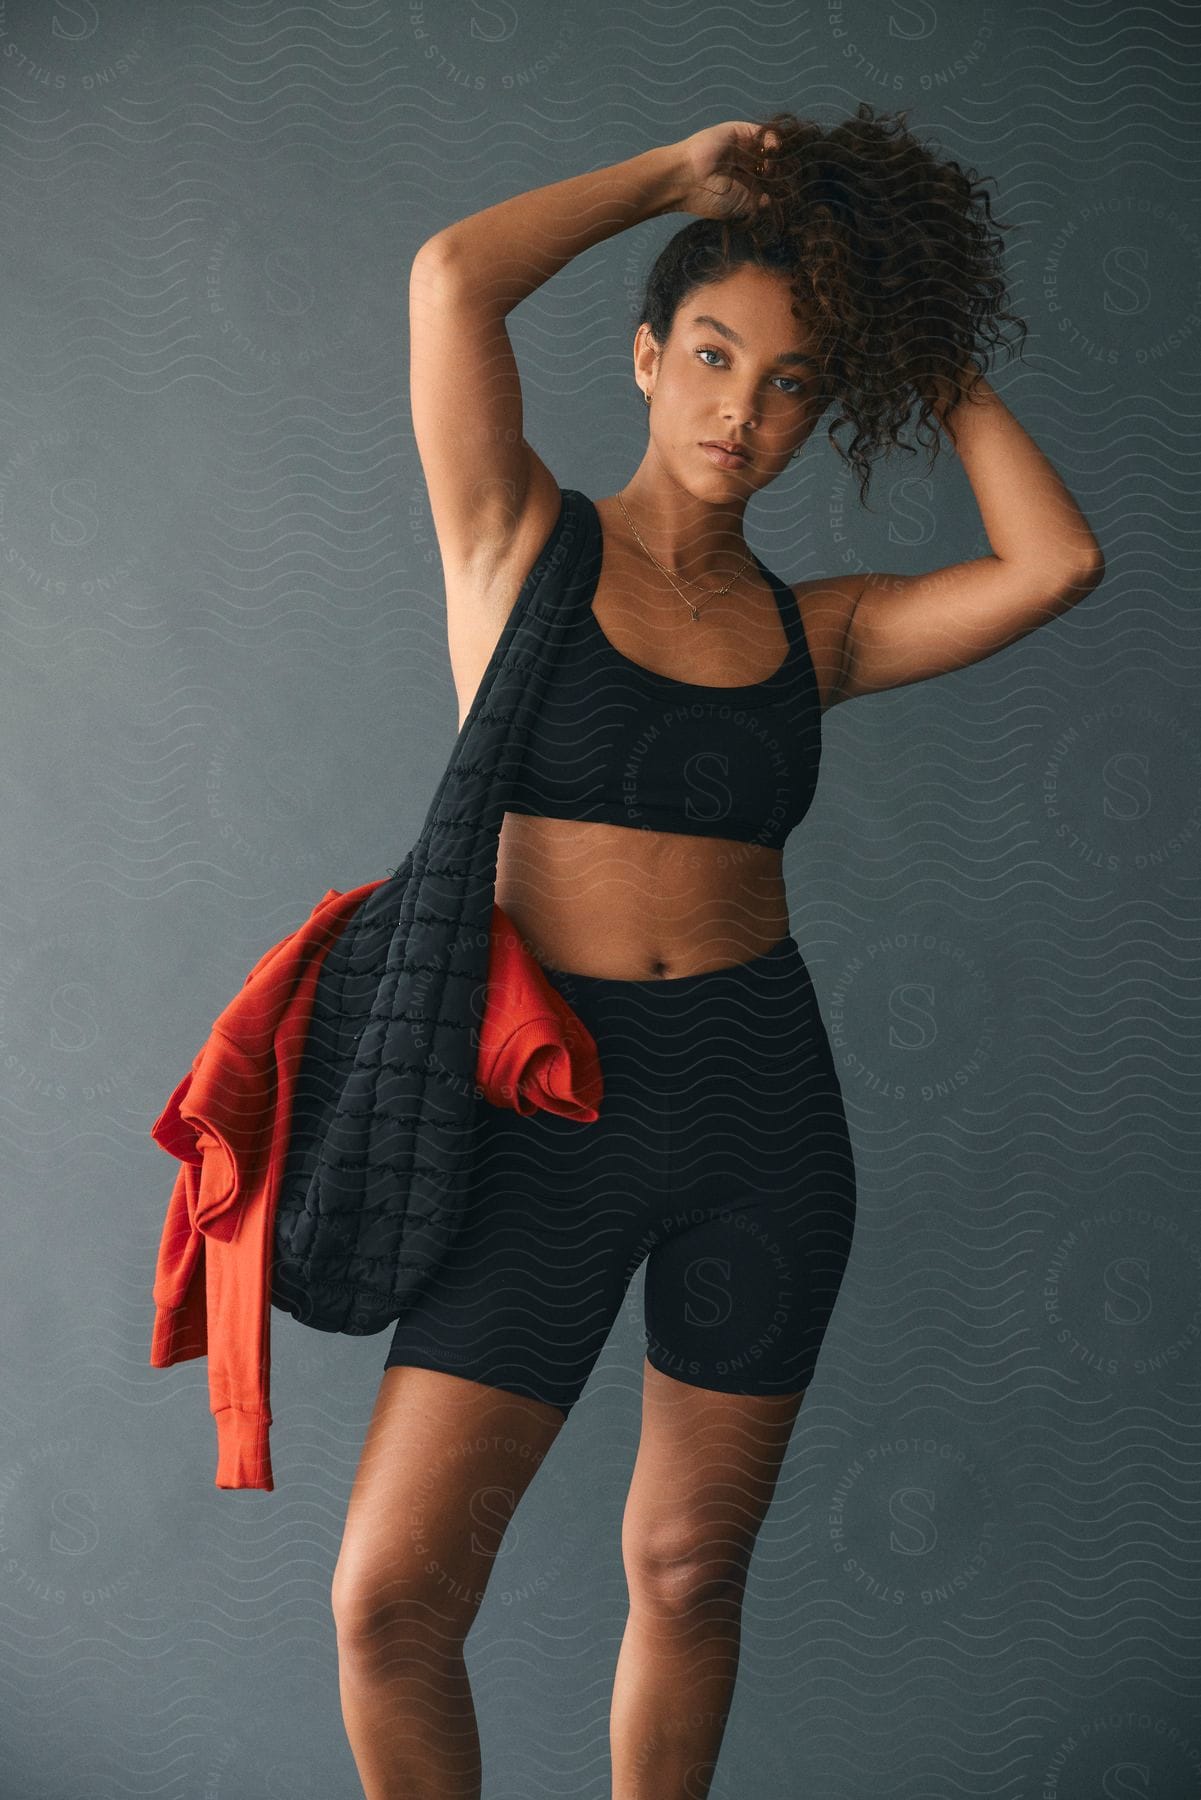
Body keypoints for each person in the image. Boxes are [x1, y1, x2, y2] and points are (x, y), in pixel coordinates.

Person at [330, 108, 1105, 1799]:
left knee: (687, 1570)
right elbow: (451, 279)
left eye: (791, 385)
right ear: (642, 356)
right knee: (390, 1604)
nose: (739, 412)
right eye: (709, 356)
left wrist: (920, 345)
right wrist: (675, 182)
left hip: (756, 1113)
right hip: (545, 1110)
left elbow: (1056, 564)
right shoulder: (517, 542)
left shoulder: (807, 630)